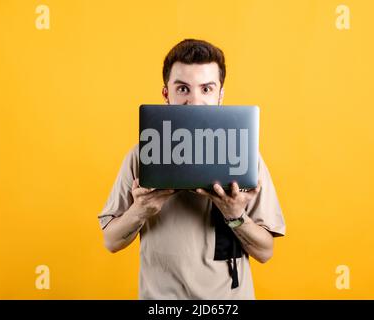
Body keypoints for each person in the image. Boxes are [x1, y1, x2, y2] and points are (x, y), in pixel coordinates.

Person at [98, 39, 286, 299]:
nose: (194, 101)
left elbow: (265, 252)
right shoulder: (141, 156)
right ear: (167, 94)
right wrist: (140, 210)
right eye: (183, 88)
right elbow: (111, 242)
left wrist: (235, 214)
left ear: (220, 94)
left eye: (207, 89)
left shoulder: (245, 157)